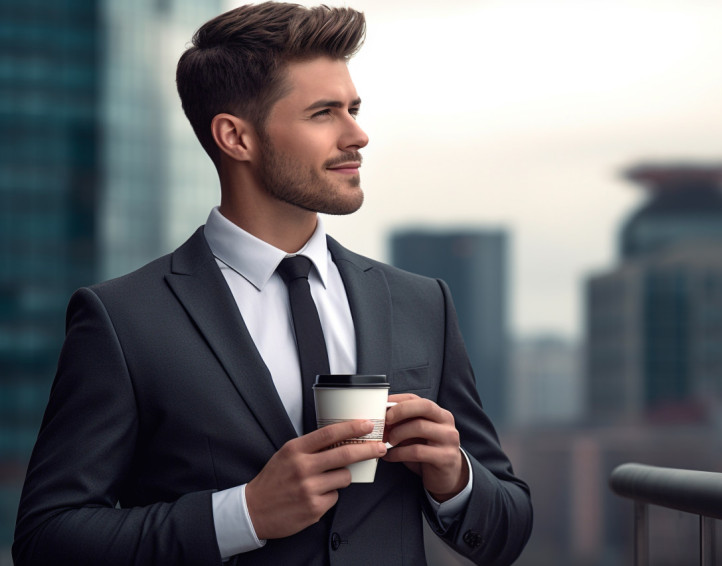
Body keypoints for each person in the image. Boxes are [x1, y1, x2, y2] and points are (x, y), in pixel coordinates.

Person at [13, 3, 533, 565]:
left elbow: (506, 532)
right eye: (323, 113)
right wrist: (245, 514)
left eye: (354, 108)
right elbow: (48, 540)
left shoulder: (421, 302)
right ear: (236, 137)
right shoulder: (122, 320)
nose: (358, 134)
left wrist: (455, 479)